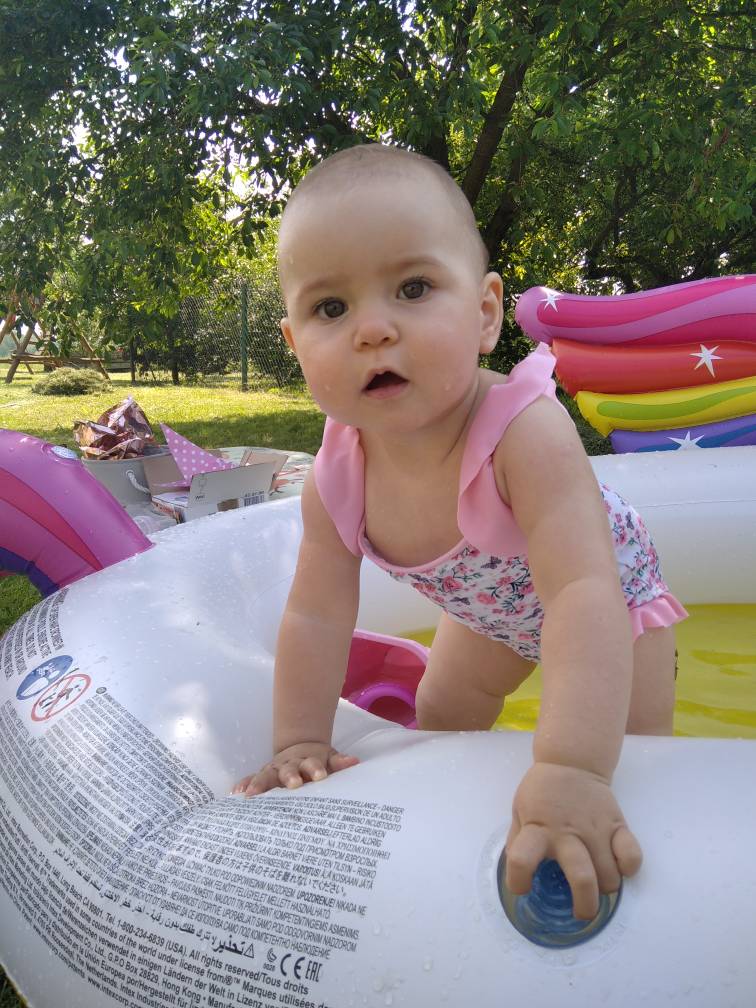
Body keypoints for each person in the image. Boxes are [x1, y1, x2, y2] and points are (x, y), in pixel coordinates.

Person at [232, 143, 687, 920]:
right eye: (331, 308)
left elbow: (582, 594)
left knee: (642, 764)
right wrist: (299, 740)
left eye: (413, 288)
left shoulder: (523, 434)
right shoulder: (336, 476)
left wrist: (572, 768)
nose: (373, 330)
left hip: (612, 610)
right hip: (492, 614)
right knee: (441, 716)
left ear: (484, 314)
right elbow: (315, 614)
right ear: (295, 344)